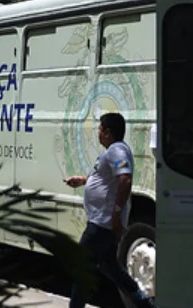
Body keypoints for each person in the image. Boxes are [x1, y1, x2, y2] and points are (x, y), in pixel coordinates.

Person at [63, 112, 154, 308]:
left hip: (101, 224)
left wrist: (116, 214)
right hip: (102, 222)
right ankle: (144, 303)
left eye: (100, 129)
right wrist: (83, 181)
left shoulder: (116, 150)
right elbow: (108, 179)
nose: (98, 132)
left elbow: (125, 179)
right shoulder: (112, 151)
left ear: (108, 132)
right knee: (113, 270)